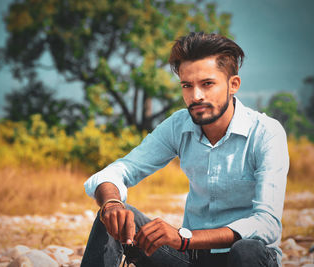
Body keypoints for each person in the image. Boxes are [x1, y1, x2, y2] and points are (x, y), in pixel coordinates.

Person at [81, 32, 289, 267]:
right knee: (111, 217)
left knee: (248, 249)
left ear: (234, 85)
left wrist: (184, 238)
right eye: (187, 86)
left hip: (244, 257)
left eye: (207, 84)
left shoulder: (266, 133)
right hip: (190, 258)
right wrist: (111, 204)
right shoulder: (178, 126)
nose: (196, 96)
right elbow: (117, 172)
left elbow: (267, 224)